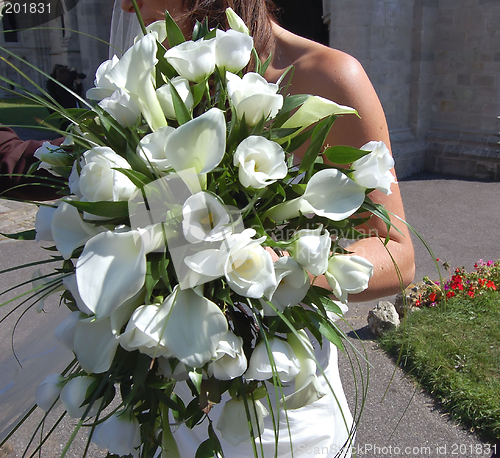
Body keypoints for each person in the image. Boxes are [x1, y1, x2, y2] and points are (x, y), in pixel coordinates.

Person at [113, 0, 415, 457]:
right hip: (181, 398)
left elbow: (398, 254)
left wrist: (281, 268)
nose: (120, 4)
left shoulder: (328, 76)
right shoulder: (154, 86)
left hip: (284, 404)